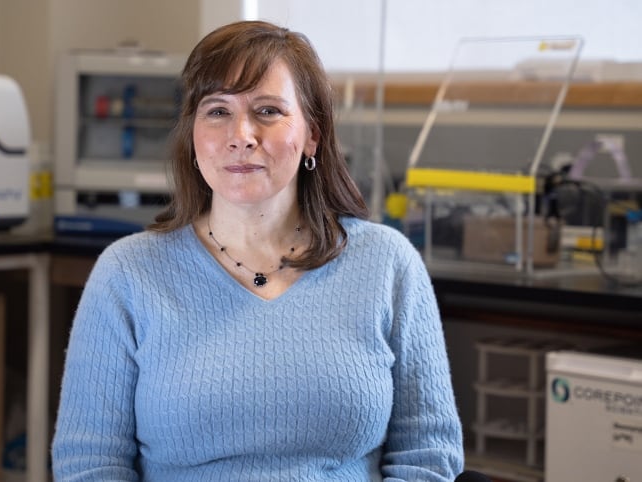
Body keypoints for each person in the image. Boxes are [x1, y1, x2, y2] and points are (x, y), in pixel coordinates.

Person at [52, 20, 464, 481]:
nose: (242, 134)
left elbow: (429, 455)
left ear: (313, 134)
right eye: (217, 111)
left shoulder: (388, 263)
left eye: (267, 110)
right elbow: (90, 465)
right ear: (192, 135)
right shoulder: (127, 273)